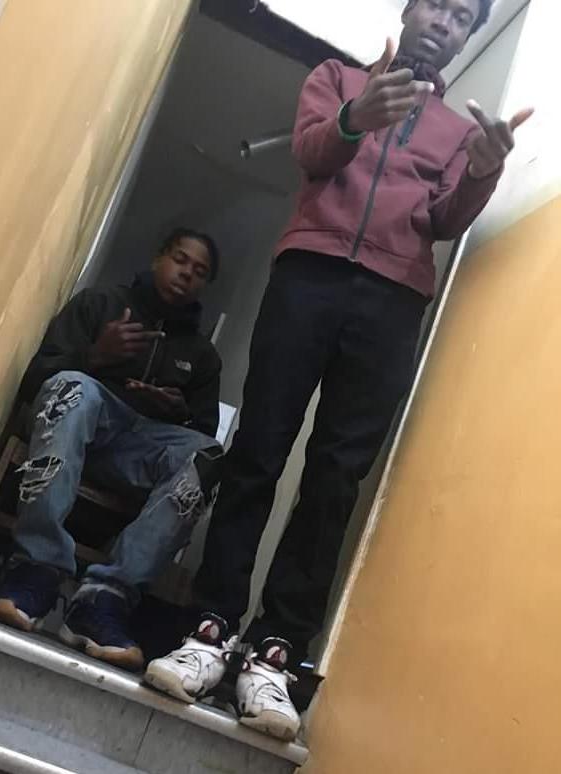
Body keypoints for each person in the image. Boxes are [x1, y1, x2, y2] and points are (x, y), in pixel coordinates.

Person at [145, 0, 533, 740]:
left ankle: (274, 654)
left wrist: (482, 174)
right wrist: (356, 117)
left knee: (335, 479)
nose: (444, 22)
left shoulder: (458, 130)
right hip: (309, 276)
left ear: (467, 36)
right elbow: (312, 153)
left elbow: (444, 220)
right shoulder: (336, 76)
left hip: (393, 302)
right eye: (436, 5)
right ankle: (207, 630)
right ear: (409, 11)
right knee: (257, 451)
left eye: (462, 16)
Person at [0, 228, 223, 672]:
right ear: (158, 257)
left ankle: (103, 599)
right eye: (180, 259)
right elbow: (35, 383)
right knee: (74, 388)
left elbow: (202, 436)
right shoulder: (100, 303)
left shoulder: (203, 355)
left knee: (208, 455)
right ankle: (35, 569)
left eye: (199, 271)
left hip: (136, 453)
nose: (186, 273)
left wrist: (176, 413)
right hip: (76, 429)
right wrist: (95, 356)